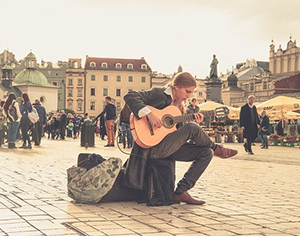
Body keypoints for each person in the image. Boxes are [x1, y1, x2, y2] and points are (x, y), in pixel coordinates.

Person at [124, 72, 238, 205]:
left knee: (206, 152)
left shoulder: (179, 107)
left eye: (191, 93)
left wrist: (196, 124)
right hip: (153, 149)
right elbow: (130, 96)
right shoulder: (159, 94)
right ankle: (217, 148)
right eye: (187, 91)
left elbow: (178, 133)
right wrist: (149, 115)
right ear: (176, 87)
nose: (189, 96)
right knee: (191, 128)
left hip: (168, 147)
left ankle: (181, 191)